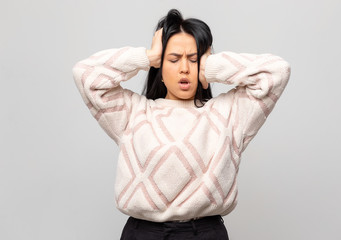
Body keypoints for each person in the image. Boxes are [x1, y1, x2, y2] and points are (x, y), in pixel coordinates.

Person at [72, 9, 291, 240]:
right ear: (160, 69)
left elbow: (277, 71)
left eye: (194, 59)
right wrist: (147, 57)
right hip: (144, 233)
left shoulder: (230, 114)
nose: (184, 68)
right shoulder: (134, 113)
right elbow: (85, 74)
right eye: (174, 59)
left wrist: (212, 66)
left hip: (205, 233)